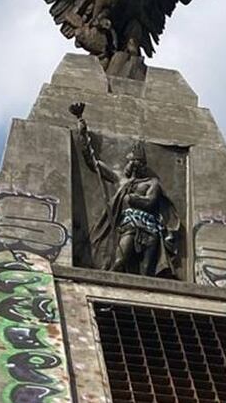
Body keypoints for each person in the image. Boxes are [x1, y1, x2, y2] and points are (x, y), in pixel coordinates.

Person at [74, 108, 180, 277]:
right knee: (119, 261)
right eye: (129, 161)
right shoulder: (120, 179)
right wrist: (82, 130)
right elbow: (92, 162)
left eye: (132, 161)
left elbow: (150, 202)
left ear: (139, 165)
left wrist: (132, 198)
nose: (128, 164)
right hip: (129, 225)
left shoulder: (152, 183)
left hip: (150, 229)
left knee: (147, 273)